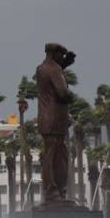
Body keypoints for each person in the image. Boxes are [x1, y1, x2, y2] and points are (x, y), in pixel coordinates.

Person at [35, 43, 76, 205]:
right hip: (55, 119)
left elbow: (50, 79)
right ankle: (55, 193)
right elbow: (63, 93)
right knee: (56, 156)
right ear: (54, 53)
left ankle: (55, 192)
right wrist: (71, 96)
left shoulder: (41, 69)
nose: (63, 57)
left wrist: (64, 65)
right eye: (61, 54)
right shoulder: (54, 69)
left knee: (53, 155)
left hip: (46, 119)